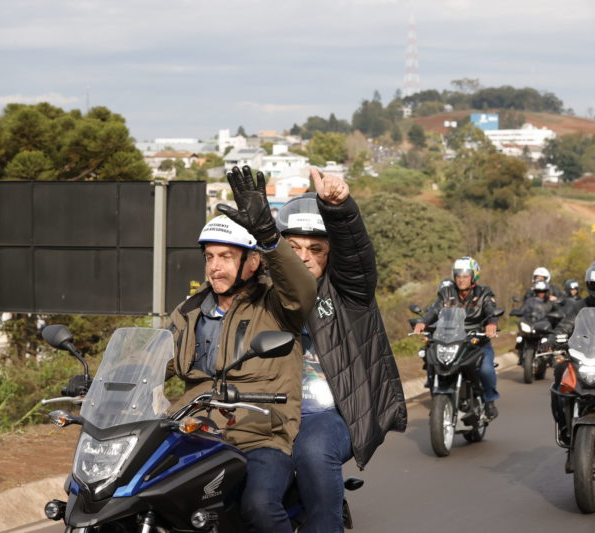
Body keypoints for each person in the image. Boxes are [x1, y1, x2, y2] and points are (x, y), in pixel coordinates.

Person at [166, 165, 316, 533]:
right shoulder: (189, 310)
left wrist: (268, 235)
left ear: (252, 261)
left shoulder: (276, 306)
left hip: (261, 434)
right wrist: (110, 381)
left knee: (260, 506)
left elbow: (303, 290)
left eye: (226, 257)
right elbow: (154, 357)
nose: (215, 267)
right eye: (210, 257)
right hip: (196, 430)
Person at [276, 170, 407, 533]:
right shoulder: (266, 295)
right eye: (294, 249)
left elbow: (356, 257)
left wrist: (339, 209)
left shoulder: (349, 291)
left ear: (330, 254)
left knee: (314, 449)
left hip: (337, 412)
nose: (304, 258)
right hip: (270, 411)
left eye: (316, 250)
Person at [413, 257, 500, 419]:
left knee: (486, 369)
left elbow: (490, 310)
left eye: (465, 275)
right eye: (458, 275)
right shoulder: (447, 292)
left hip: (476, 342)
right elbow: (435, 310)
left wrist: (491, 323)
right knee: (433, 362)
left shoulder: (484, 293)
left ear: (474, 276)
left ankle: (489, 401)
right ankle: (439, 402)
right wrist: (422, 322)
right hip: (452, 339)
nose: (461, 279)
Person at [547, 264, 595, 444]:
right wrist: (551, 339)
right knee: (560, 375)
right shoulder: (579, 306)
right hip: (584, 358)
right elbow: (565, 325)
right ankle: (564, 427)